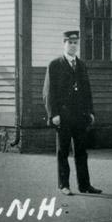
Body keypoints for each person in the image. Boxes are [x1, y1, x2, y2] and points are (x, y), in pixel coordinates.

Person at [43, 30, 102, 196]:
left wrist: (90, 112)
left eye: (76, 43)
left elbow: (87, 91)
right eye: (70, 42)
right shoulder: (55, 65)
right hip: (63, 116)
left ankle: (84, 185)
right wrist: (53, 114)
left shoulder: (81, 65)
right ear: (64, 43)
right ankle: (64, 185)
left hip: (80, 116)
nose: (73, 46)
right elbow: (48, 92)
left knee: (81, 151)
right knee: (63, 151)